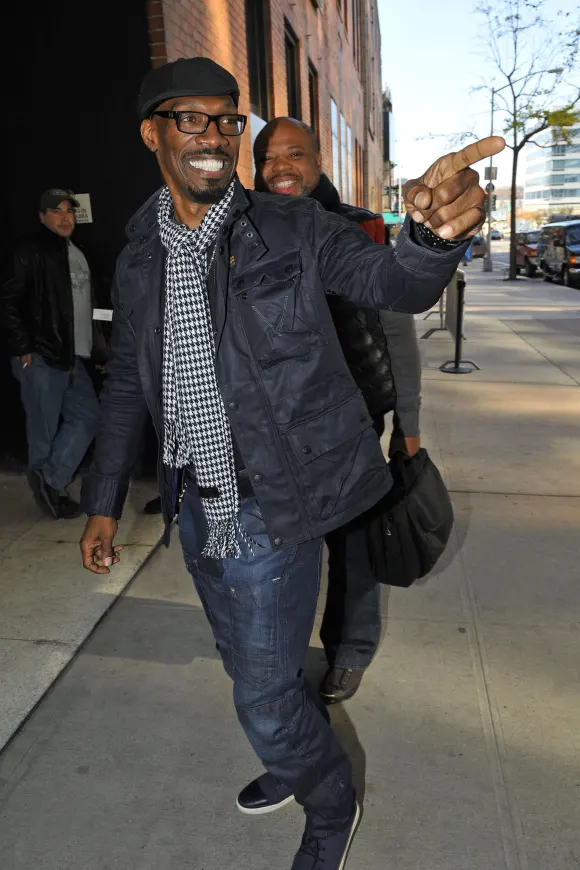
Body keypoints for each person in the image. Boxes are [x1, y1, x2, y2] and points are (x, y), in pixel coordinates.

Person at [79, 57, 504, 870]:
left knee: (266, 699)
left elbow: (393, 282)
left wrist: (431, 239)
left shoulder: (291, 226)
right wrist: (105, 501)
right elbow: (129, 387)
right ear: (151, 134)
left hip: (273, 506)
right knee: (246, 665)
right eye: (191, 119)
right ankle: (290, 755)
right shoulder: (137, 257)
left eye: (226, 120)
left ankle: (329, 799)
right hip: (194, 509)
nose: (213, 136)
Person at [253, 117, 422, 706]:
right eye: (269, 156)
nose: (281, 167)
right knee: (285, 548)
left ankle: (350, 648)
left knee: (351, 545)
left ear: (318, 160)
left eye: (294, 154)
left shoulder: (355, 228)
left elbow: (398, 335)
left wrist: (410, 424)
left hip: (350, 421)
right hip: (276, 426)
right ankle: (285, 652)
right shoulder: (244, 233)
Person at [2, 189, 104, 519]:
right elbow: (9, 299)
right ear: (42, 216)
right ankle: (52, 493)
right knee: (42, 429)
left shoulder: (79, 251)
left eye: (69, 211)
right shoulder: (29, 250)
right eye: (56, 211)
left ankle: (50, 478)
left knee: (89, 416)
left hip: (74, 354)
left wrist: (98, 348)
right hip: (42, 354)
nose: (64, 217)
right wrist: (22, 347)